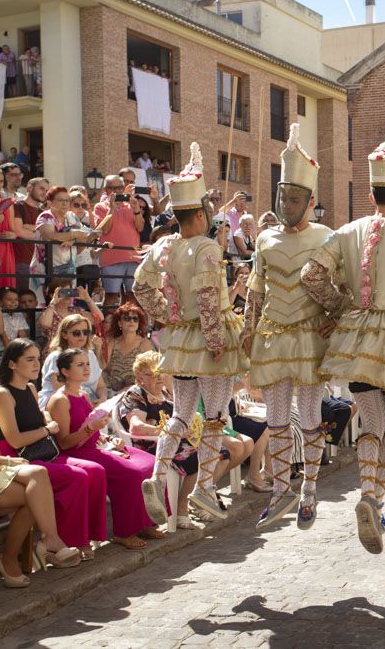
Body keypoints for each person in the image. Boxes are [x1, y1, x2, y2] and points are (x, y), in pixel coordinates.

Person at [301, 120, 385, 555]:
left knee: (372, 425)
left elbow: (311, 274)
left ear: (372, 194)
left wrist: (342, 307)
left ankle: (369, 497)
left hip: (356, 341)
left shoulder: (346, 231)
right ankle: (374, 499)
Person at [133, 142, 249, 523]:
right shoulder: (206, 248)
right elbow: (205, 297)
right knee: (214, 416)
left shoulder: (164, 245)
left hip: (180, 340)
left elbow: (139, 287)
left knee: (182, 415)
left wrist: (167, 315)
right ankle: (204, 489)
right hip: (206, 339)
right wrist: (215, 341)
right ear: (200, 212)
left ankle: (156, 473)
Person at [242, 123, 332, 529]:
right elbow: (256, 288)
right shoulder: (263, 240)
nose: (288, 203)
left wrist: (335, 317)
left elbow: (342, 287)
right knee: (276, 420)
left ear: (310, 200)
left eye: (295, 197)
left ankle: (310, 490)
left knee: (310, 417)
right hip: (272, 336)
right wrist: (247, 328)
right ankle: (281, 491)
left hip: (311, 339)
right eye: (283, 196)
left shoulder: (328, 236)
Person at [0, 339, 107, 560]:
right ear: (12, 364)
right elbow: (14, 440)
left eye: (38, 359)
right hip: (18, 458)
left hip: (43, 452)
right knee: (78, 476)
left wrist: (45, 419)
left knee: (95, 470)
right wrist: (48, 429)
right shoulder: (2, 394)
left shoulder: (31, 388)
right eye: (30, 359)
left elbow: (35, 420)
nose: (37, 364)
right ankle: (63, 541)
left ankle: (83, 537)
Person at [0, 365, 81, 587]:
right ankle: (12, 557)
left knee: (37, 476)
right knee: (32, 494)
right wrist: (3, 461)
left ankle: (47, 540)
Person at [47, 349, 161, 549]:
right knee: (131, 473)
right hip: (77, 453)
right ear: (65, 371)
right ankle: (125, 531)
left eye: (87, 364)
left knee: (150, 463)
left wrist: (110, 439)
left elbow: (93, 430)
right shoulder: (60, 400)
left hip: (97, 446)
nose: (86, 369)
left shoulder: (82, 394)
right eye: (80, 365)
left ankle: (145, 522)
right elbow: (64, 443)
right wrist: (92, 429)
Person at [118, 351, 200, 531]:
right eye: (151, 374)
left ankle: (192, 500)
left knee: (212, 451)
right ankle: (181, 509)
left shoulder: (165, 393)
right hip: (150, 445)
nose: (158, 377)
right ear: (139, 377)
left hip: (173, 442)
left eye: (160, 372)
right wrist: (169, 433)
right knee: (196, 457)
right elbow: (136, 428)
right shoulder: (136, 394)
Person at [94, 175, 145, 307]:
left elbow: (140, 227)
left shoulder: (132, 205)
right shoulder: (100, 207)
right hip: (111, 259)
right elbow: (104, 229)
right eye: (112, 188)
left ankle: (132, 326)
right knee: (111, 297)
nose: (116, 191)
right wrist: (112, 208)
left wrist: (137, 210)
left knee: (132, 297)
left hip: (133, 258)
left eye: (119, 187)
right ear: (106, 189)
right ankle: (106, 327)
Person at [39, 314, 107, 407]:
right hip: (60, 405)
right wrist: (89, 404)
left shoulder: (90, 355)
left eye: (86, 332)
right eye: (76, 333)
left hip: (89, 401)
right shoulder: (56, 357)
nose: (82, 336)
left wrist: (102, 399)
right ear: (64, 334)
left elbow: (101, 386)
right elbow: (60, 389)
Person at [102, 302, 153, 393]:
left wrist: (129, 390)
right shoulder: (112, 342)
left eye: (135, 319)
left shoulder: (145, 344)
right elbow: (103, 366)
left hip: (136, 391)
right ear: (119, 323)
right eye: (127, 318)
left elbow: (149, 373)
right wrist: (98, 347)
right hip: (111, 391)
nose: (131, 321)